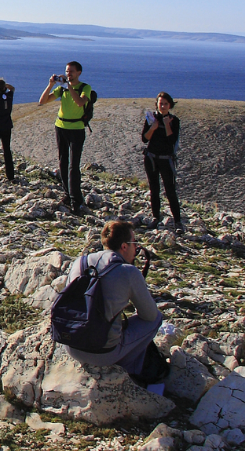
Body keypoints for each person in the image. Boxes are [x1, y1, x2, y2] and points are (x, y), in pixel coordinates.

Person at [64, 221, 165, 389]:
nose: (137, 248)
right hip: (103, 354)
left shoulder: (80, 262)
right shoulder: (128, 271)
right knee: (156, 319)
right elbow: (150, 315)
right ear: (124, 246)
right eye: (134, 243)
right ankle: (131, 369)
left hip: (71, 346)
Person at [38, 61, 97, 211]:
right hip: (61, 127)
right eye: (66, 71)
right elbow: (42, 101)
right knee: (63, 163)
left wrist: (68, 87)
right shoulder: (62, 89)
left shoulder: (85, 88)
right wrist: (51, 84)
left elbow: (79, 102)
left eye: (71, 71)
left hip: (76, 129)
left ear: (79, 73)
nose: (68, 74)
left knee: (73, 166)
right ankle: (67, 193)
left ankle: (76, 199)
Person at [141, 92, 186, 229]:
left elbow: (172, 141)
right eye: (161, 103)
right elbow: (144, 138)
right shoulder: (151, 119)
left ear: (170, 105)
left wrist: (167, 125)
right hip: (151, 158)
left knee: (170, 191)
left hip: (166, 160)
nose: (163, 106)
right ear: (157, 104)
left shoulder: (174, 121)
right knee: (154, 190)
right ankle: (155, 217)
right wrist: (153, 128)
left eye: (166, 104)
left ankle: (177, 221)